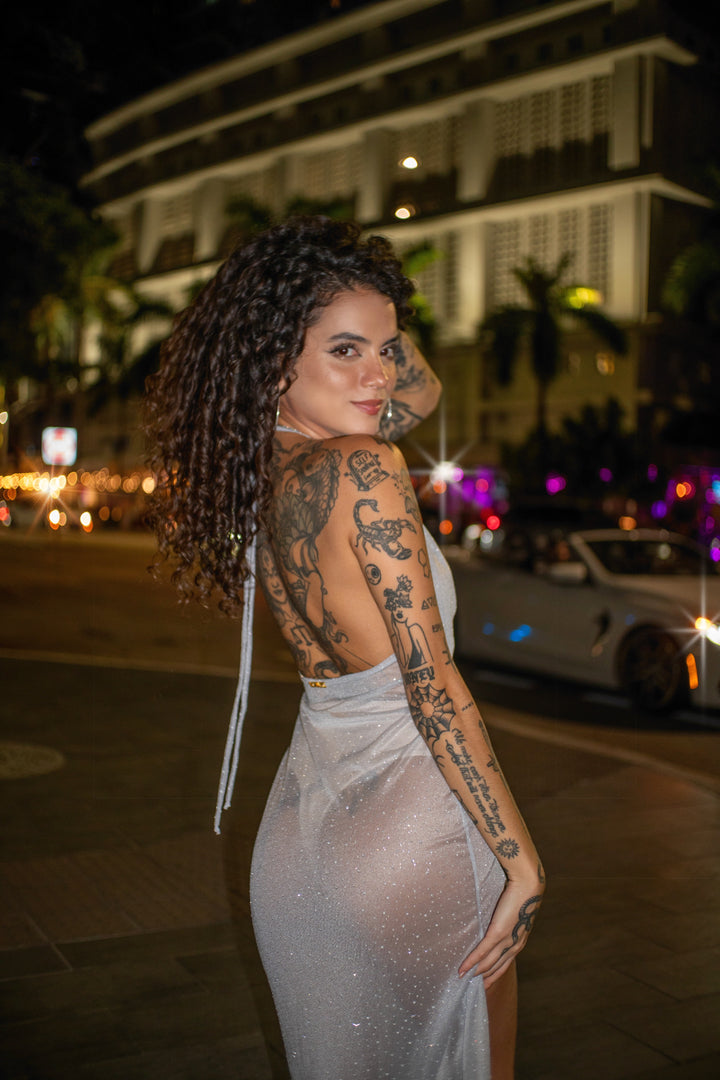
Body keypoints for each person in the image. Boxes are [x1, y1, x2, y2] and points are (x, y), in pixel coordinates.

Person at [144, 217, 544, 1080]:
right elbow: (431, 684)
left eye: (388, 350)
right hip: (416, 833)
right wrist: (520, 860)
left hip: (305, 840)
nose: (381, 376)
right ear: (274, 360)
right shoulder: (361, 467)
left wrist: (348, 286)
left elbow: (421, 393)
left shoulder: (264, 468)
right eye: (346, 351)